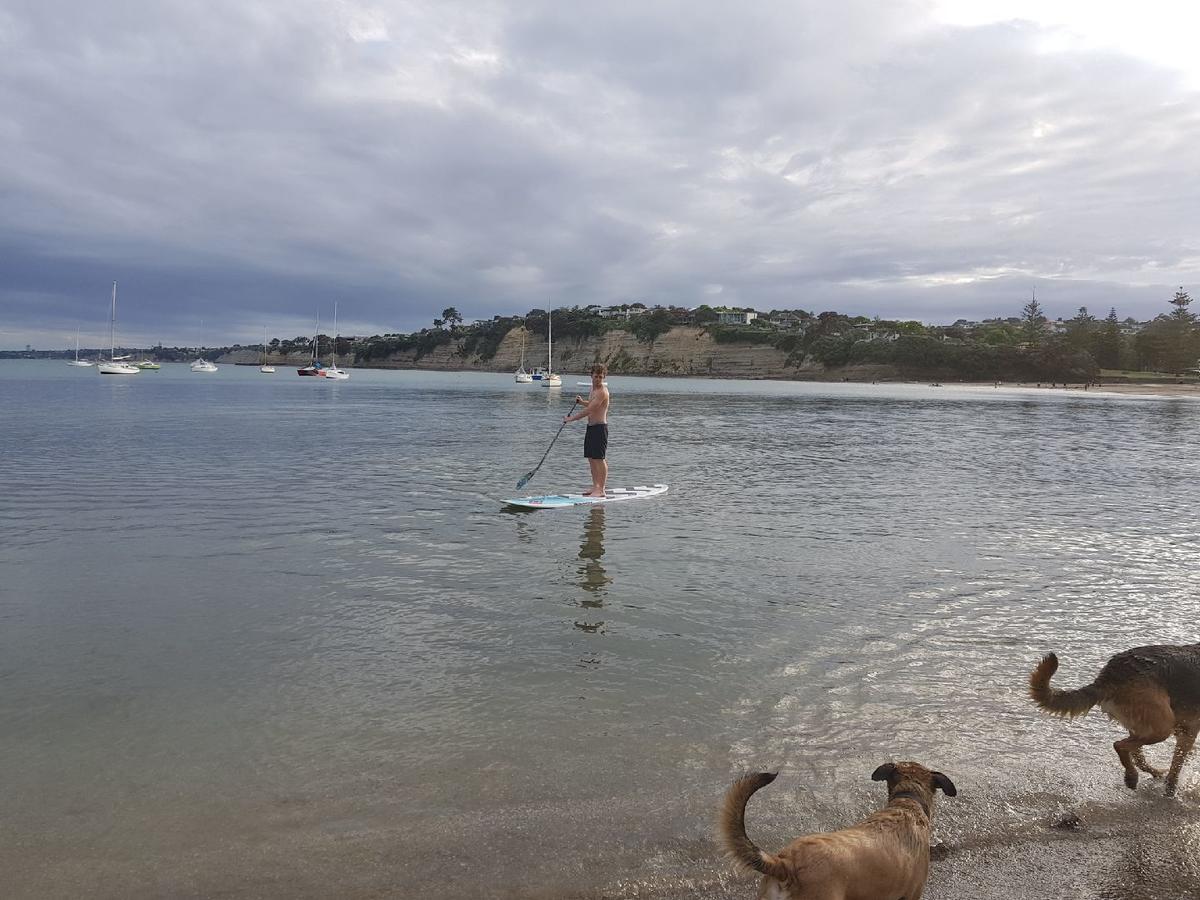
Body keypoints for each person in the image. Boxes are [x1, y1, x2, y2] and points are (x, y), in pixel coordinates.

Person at [563, 363, 610, 497]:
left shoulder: (602, 392)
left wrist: (570, 419)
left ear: (604, 377)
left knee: (599, 459)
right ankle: (595, 486)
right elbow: (591, 404)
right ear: (591, 376)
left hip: (600, 429)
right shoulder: (593, 389)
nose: (598, 379)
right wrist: (582, 402)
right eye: (596, 376)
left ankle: (601, 490)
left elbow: (590, 410)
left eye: (601, 377)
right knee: (591, 458)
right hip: (591, 428)